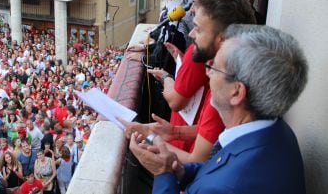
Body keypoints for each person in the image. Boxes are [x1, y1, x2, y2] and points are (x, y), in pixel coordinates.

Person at [130, 24, 308, 194]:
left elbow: (222, 181)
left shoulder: (224, 187)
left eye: (214, 67)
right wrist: (179, 170)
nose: (207, 73)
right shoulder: (278, 131)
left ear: (236, 92)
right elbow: (218, 167)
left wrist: (163, 173)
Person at [123, 0, 256, 164]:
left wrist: (150, 138)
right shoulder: (230, 76)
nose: (192, 34)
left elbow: (197, 161)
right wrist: (175, 132)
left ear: (222, 39)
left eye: (199, 29)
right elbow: (209, 130)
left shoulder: (227, 91)